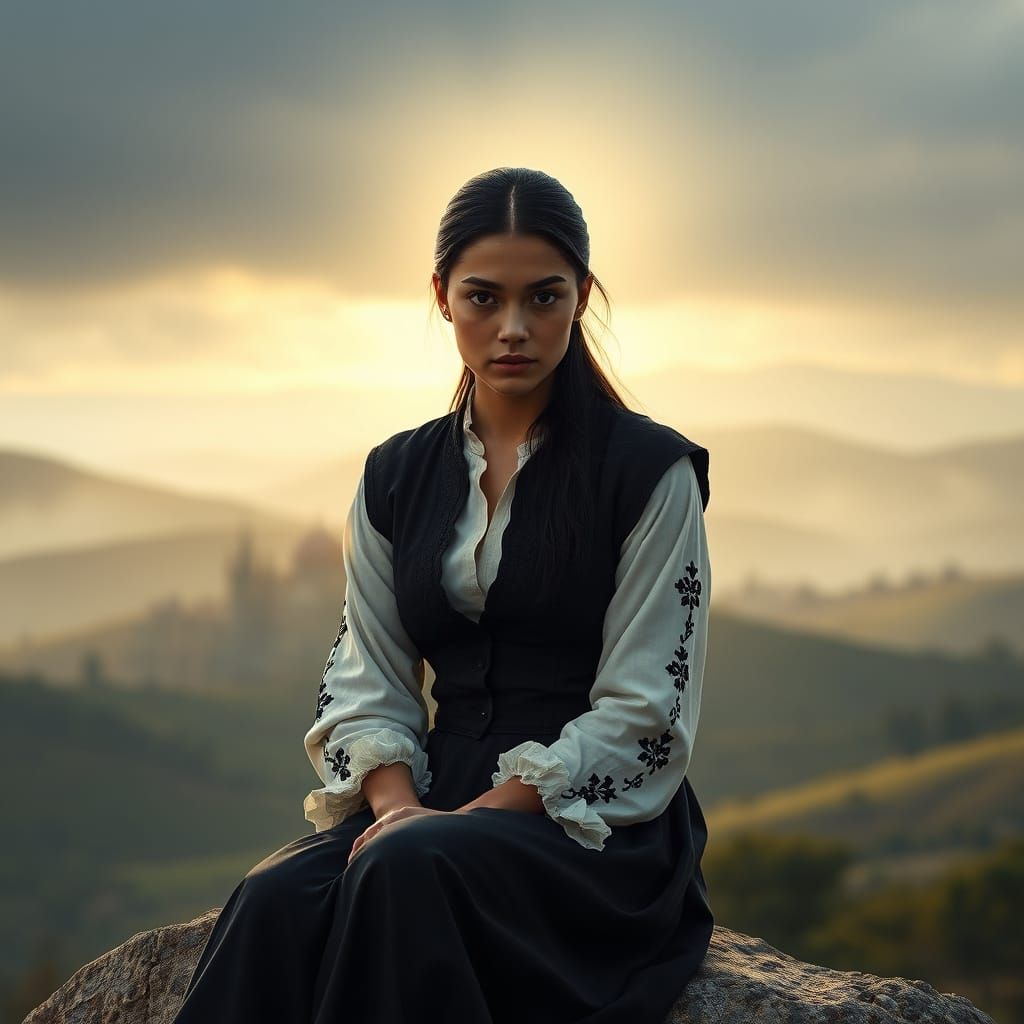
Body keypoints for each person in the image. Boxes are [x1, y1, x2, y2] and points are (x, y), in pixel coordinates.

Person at [172, 166, 714, 1024]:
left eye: (544, 298)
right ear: (441, 297)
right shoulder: (397, 474)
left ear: (582, 296)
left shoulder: (649, 472)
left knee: (406, 870)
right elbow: (368, 676)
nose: (513, 328)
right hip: (430, 795)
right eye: (483, 298)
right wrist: (398, 809)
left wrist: (464, 821)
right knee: (276, 896)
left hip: (593, 826)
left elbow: (646, 707)